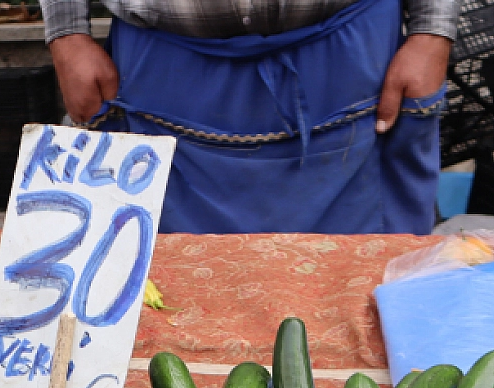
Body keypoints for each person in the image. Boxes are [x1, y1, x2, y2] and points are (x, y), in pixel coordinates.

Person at [43, 0, 457, 235]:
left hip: (352, 66)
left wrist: (433, 29)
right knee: (165, 314)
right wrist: (66, 32)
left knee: (370, 316)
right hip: (160, 73)